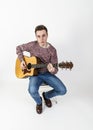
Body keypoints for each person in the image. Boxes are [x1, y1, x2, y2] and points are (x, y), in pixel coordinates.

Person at [16, 25, 67, 114]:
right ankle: (39, 102)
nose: (41, 39)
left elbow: (55, 69)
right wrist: (22, 61)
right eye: (38, 36)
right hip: (34, 74)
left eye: (43, 35)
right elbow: (18, 48)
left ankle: (46, 96)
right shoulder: (32, 45)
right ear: (36, 36)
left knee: (63, 90)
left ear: (47, 35)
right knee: (32, 90)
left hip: (47, 74)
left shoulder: (52, 50)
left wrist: (52, 70)